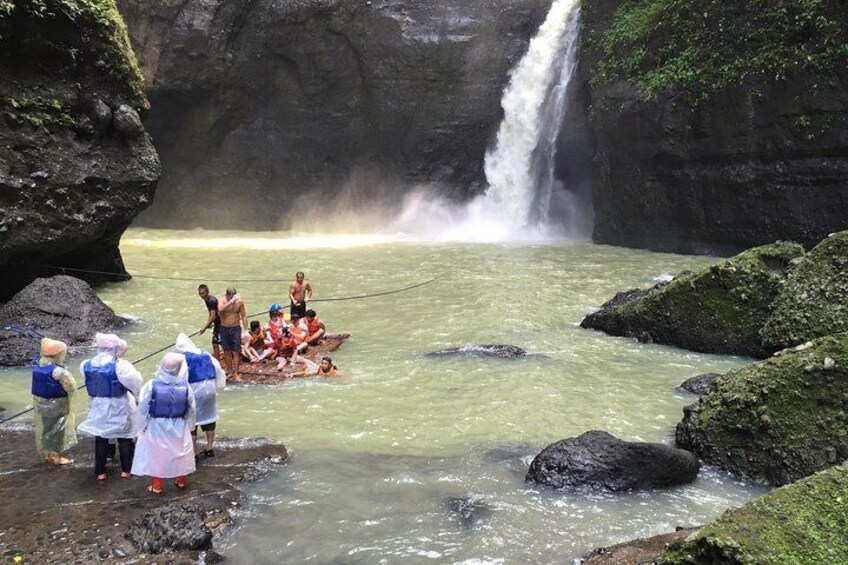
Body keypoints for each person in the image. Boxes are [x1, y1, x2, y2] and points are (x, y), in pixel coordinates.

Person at [78, 333, 143, 481]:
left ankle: (100, 472)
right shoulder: (121, 366)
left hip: (97, 405)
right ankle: (126, 470)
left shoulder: (86, 364)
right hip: (119, 404)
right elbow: (136, 382)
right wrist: (138, 398)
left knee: (101, 437)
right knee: (125, 437)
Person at [131, 352, 197, 494]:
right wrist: (191, 425)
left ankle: (157, 486)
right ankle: (180, 481)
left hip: (157, 425)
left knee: (158, 454)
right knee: (181, 452)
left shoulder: (151, 385)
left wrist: (141, 426)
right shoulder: (186, 386)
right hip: (179, 423)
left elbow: (143, 407)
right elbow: (192, 408)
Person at [174, 333, 226, 458]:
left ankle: (194, 452)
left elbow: (181, 377)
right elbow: (218, 368)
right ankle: (209, 448)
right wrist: (219, 384)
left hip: (194, 389)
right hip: (209, 387)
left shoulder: (183, 358)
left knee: (192, 419)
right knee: (209, 416)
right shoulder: (205, 353)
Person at [32, 338, 78, 465]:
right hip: (57, 406)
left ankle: (48, 454)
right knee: (58, 431)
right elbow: (71, 386)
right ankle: (57, 457)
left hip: (41, 405)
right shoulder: (58, 371)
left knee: (47, 428)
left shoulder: (39, 367)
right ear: (58, 354)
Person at [218, 286, 248, 377]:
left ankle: (236, 372)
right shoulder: (221, 301)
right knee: (227, 351)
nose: (234, 297)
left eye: (235, 296)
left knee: (236, 351)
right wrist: (231, 301)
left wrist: (246, 330)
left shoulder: (239, 302)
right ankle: (229, 371)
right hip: (224, 328)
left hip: (235, 328)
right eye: (232, 296)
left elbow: (243, 315)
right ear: (227, 295)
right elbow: (220, 309)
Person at [197, 284, 221, 360]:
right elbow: (211, 314)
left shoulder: (211, 301)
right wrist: (210, 323)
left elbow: (213, 315)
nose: (202, 295)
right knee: (216, 342)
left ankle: (217, 361)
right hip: (217, 322)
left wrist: (204, 328)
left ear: (207, 292)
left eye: (203, 293)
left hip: (221, 323)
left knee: (216, 342)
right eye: (200, 293)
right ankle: (217, 360)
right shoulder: (207, 299)